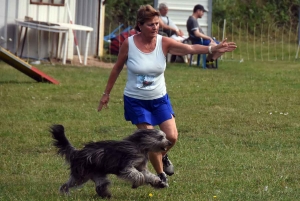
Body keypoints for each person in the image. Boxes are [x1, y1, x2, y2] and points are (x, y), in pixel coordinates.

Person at [98, 4, 236, 186]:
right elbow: (116, 68)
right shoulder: (129, 43)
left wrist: (212, 49)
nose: (155, 27)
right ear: (139, 25)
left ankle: (161, 157)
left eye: (157, 24)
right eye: (150, 25)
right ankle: (160, 176)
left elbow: (190, 49)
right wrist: (106, 93)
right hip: (136, 100)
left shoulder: (163, 42)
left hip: (159, 99)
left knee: (171, 137)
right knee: (151, 137)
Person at [186, 4, 220, 68]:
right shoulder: (193, 20)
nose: (203, 14)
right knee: (216, 46)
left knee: (222, 46)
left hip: (201, 40)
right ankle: (207, 62)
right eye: (202, 12)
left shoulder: (193, 20)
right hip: (198, 41)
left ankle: (210, 61)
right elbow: (197, 34)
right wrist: (209, 37)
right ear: (198, 11)